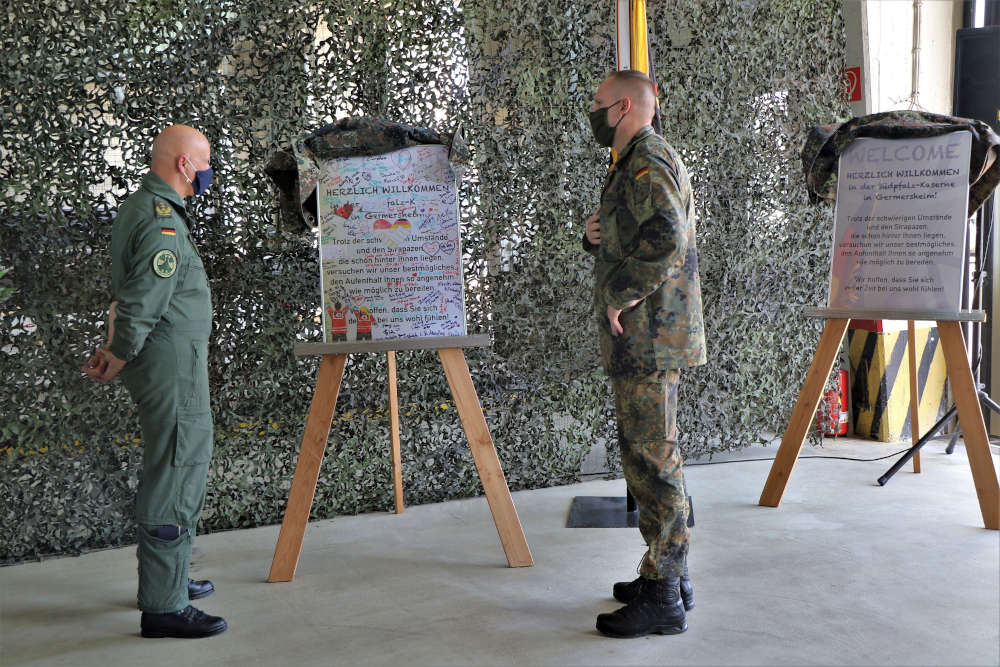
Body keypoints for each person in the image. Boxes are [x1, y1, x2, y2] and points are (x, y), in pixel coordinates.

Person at [82, 124, 227, 639]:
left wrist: (120, 350)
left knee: (175, 461)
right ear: (184, 165)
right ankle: (164, 606)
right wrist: (118, 353)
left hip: (169, 360)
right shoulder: (162, 218)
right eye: (205, 161)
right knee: (176, 464)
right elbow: (145, 295)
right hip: (170, 364)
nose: (209, 171)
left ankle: (174, 578)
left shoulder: (142, 207)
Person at [582, 70, 706, 638]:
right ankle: (668, 575)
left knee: (655, 463)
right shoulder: (637, 156)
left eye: (598, 104)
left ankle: (663, 596)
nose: (593, 112)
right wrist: (596, 234)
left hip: (651, 334)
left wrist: (619, 291)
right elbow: (639, 231)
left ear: (624, 105)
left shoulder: (645, 158)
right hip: (650, 334)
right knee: (647, 457)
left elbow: (667, 238)